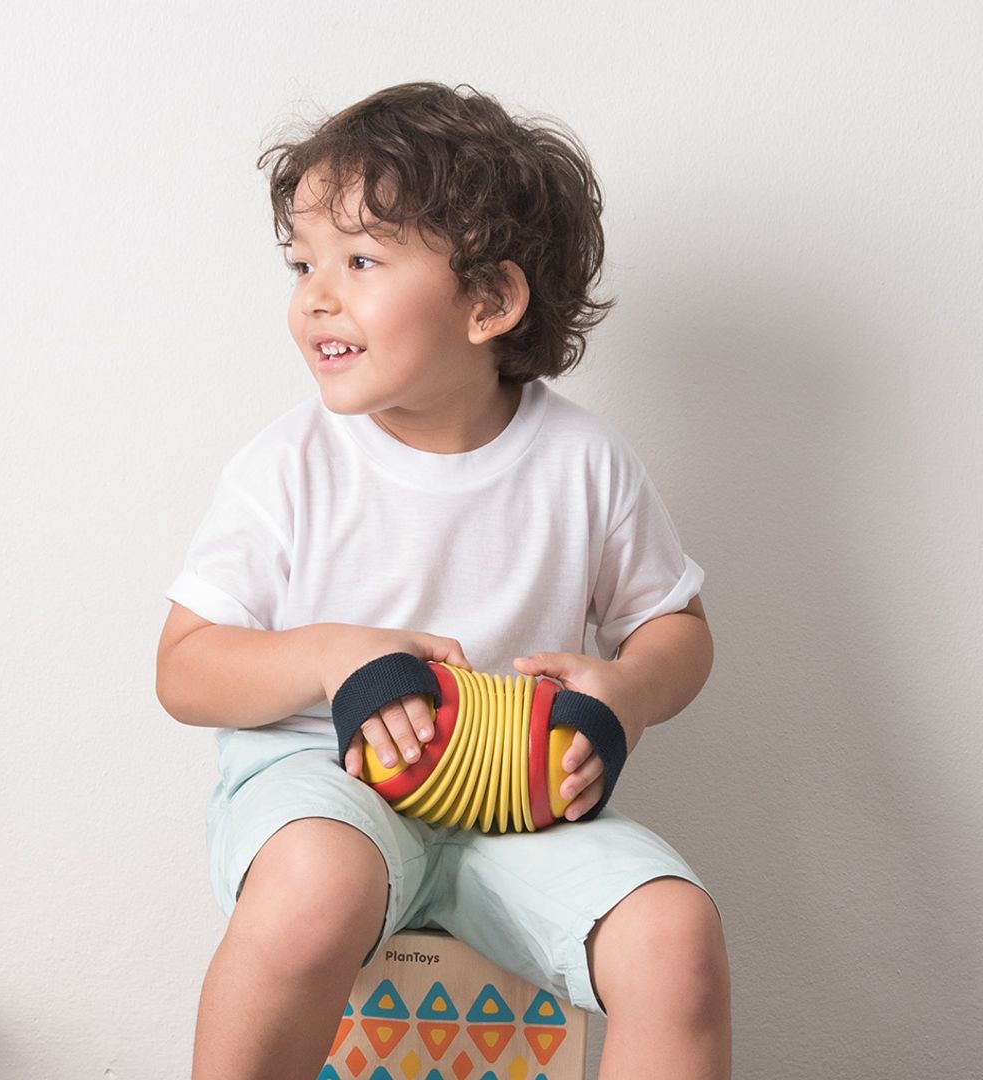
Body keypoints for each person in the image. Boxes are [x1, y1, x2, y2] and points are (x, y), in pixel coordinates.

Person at [156, 81, 731, 1080]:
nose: (315, 296)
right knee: (314, 887)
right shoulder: (288, 465)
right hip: (323, 784)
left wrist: (630, 694)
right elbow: (185, 670)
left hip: (516, 806)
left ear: (490, 302)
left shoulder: (582, 462)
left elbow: (675, 628)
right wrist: (336, 656)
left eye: (362, 260)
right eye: (304, 263)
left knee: (676, 937)